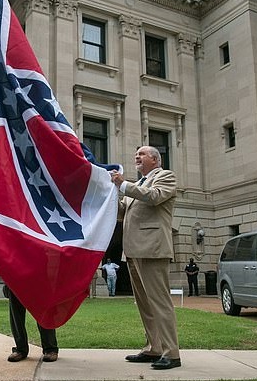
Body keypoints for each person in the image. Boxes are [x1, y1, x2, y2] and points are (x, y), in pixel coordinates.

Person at [111, 145, 181, 370]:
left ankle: (172, 353)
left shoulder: (165, 176)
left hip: (152, 249)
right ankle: (154, 348)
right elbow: (122, 212)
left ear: (155, 159)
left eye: (142, 154)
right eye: (136, 154)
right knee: (144, 304)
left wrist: (123, 185)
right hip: (133, 251)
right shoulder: (138, 184)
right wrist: (109, 195)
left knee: (159, 302)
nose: (137, 156)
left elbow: (154, 197)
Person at [3, 285, 58, 363]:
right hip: (17, 281)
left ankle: (50, 349)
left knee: (44, 310)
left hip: (40, 280)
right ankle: (20, 349)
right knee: (16, 313)